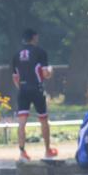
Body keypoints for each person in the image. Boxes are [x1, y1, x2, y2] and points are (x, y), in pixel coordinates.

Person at [12, 28, 56, 160]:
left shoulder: (16, 55)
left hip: (23, 89)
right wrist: (50, 70)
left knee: (21, 123)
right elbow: (45, 74)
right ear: (35, 37)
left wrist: (21, 88)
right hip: (37, 89)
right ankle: (48, 151)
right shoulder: (40, 52)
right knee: (43, 120)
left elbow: (15, 78)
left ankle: (22, 153)